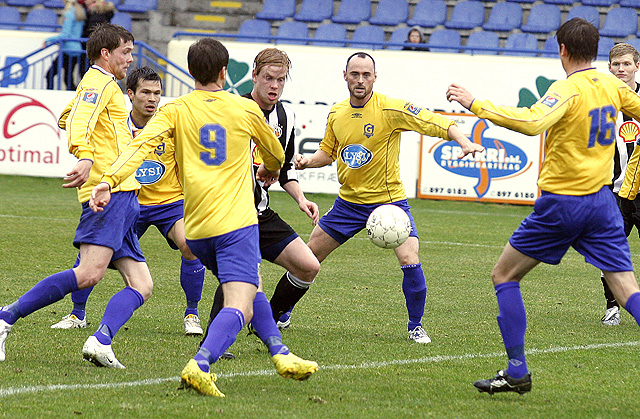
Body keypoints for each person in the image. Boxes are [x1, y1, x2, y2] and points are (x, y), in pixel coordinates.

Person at [89, 38, 318, 397]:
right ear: (226, 72)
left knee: (250, 283)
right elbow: (275, 153)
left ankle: (280, 352)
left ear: (191, 71)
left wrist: (107, 181)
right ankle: (202, 363)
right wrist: (270, 170)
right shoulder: (245, 111)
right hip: (235, 223)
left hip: (194, 227)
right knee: (240, 303)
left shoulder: (174, 110)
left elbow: (138, 148)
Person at [446, 18, 640, 395]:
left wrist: (474, 103)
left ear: (562, 50)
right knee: (626, 288)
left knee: (504, 276)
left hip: (563, 203)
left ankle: (517, 370)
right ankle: (515, 371)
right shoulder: (613, 86)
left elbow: (533, 121)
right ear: (597, 50)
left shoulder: (567, 90)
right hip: (603, 203)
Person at [283, 51, 484, 344]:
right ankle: (282, 311)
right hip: (347, 204)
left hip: (389, 204)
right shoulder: (337, 112)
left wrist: (465, 142)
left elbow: (435, 121)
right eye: (355, 74)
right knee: (307, 258)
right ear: (345, 76)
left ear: (375, 77)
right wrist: (306, 162)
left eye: (366, 75)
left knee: (409, 258)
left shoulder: (391, 109)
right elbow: (327, 152)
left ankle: (415, 325)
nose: (360, 80)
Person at [0, 23, 151, 370]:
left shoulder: (99, 84)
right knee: (88, 274)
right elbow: (79, 121)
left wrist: (96, 140)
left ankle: (100, 342)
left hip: (125, 196)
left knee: (142, 285)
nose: (130, 58)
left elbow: (68, 116)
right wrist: (86, 154)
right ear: (105, 53)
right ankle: (6, 317)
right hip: (107, 194)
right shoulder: (98, 83)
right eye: (125, 52)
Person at [50, 66, 207, 335]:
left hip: (169, 202)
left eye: (157, 93)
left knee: (190, 245)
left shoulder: (170, 124)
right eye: (145, 92)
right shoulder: (115, 123)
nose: (152, 99)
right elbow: (69, 118)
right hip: (128, 199)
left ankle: (192, 313)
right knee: (92, 253)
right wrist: (86, 105)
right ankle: (78, 314)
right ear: (130, 94)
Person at [202, 48, 321, 355]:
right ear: (254, 76)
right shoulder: (232, 108)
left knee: (308, 266)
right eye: (269, 78)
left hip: (261, 211)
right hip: (232, 212)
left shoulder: (286, 116)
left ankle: (265, 317)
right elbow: (213, 161)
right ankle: (214, 340)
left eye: (281, 80)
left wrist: (300, 198)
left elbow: (284, 170)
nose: (275, 86)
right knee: (244, 273)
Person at [597, 43, 640, 326]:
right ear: (609, 68)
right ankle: (612, 307)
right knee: (608, 250)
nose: (621, 69)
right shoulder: (602, 101)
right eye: (616, 65)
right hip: (613, 193)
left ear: (637, 66)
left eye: (626, 64)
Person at [45, 0, 86, 90]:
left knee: (50, 74)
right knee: (68, 78)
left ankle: (49, 93)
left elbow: (65, 34)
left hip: (68, 49)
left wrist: (48, 40)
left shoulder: (69, 14)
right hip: (76, 49)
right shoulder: (80, 13)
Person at [78, 0, 115, 77]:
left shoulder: (95, 14)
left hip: (90, 48)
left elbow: (91, 32)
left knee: (86, 72)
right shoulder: (104, 13)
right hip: (95, 48)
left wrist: (83, 40)